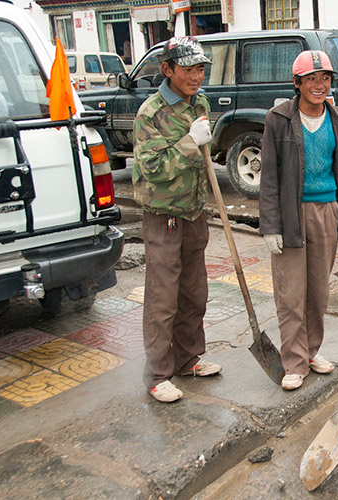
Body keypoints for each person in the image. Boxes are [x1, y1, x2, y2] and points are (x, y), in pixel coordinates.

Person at [260, 50, 338, 391]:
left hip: (327, 211)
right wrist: (270, 224)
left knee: (318, 291)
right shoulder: (278, 119)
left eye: (325, 78)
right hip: (291, 213)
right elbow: (269, 177)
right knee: (290, 292)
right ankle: (294, 360)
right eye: (311, 79)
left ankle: (311, 350)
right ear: (297, 83)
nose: (319, 85)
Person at [132, 36, 221, 403]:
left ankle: (188, 358)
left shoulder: (199, 102)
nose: (196, 76)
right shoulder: (151, 113)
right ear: (167, 70)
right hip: (163, 217)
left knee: (195, 293)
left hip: (194, 212)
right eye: (188, 69)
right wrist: (189, 143)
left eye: (200, 69)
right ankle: (158, 373)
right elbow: (151, 168)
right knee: (162, 298)